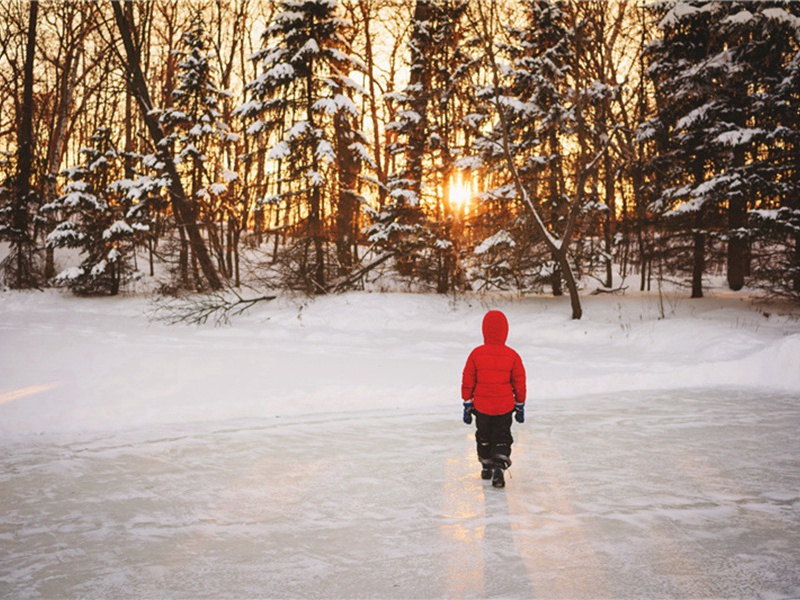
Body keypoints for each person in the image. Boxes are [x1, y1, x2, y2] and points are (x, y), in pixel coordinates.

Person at [461, 310, 527, 488]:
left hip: (482, 406)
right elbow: (519, 382)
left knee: (484, 435)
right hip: (504, 407)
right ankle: (499, 466)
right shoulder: (512, 355)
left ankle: (486, 465)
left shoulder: (476, 354)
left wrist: (467, 402)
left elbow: (468, 380)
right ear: (505, 331)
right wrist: (520, 404)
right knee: (502, 436)